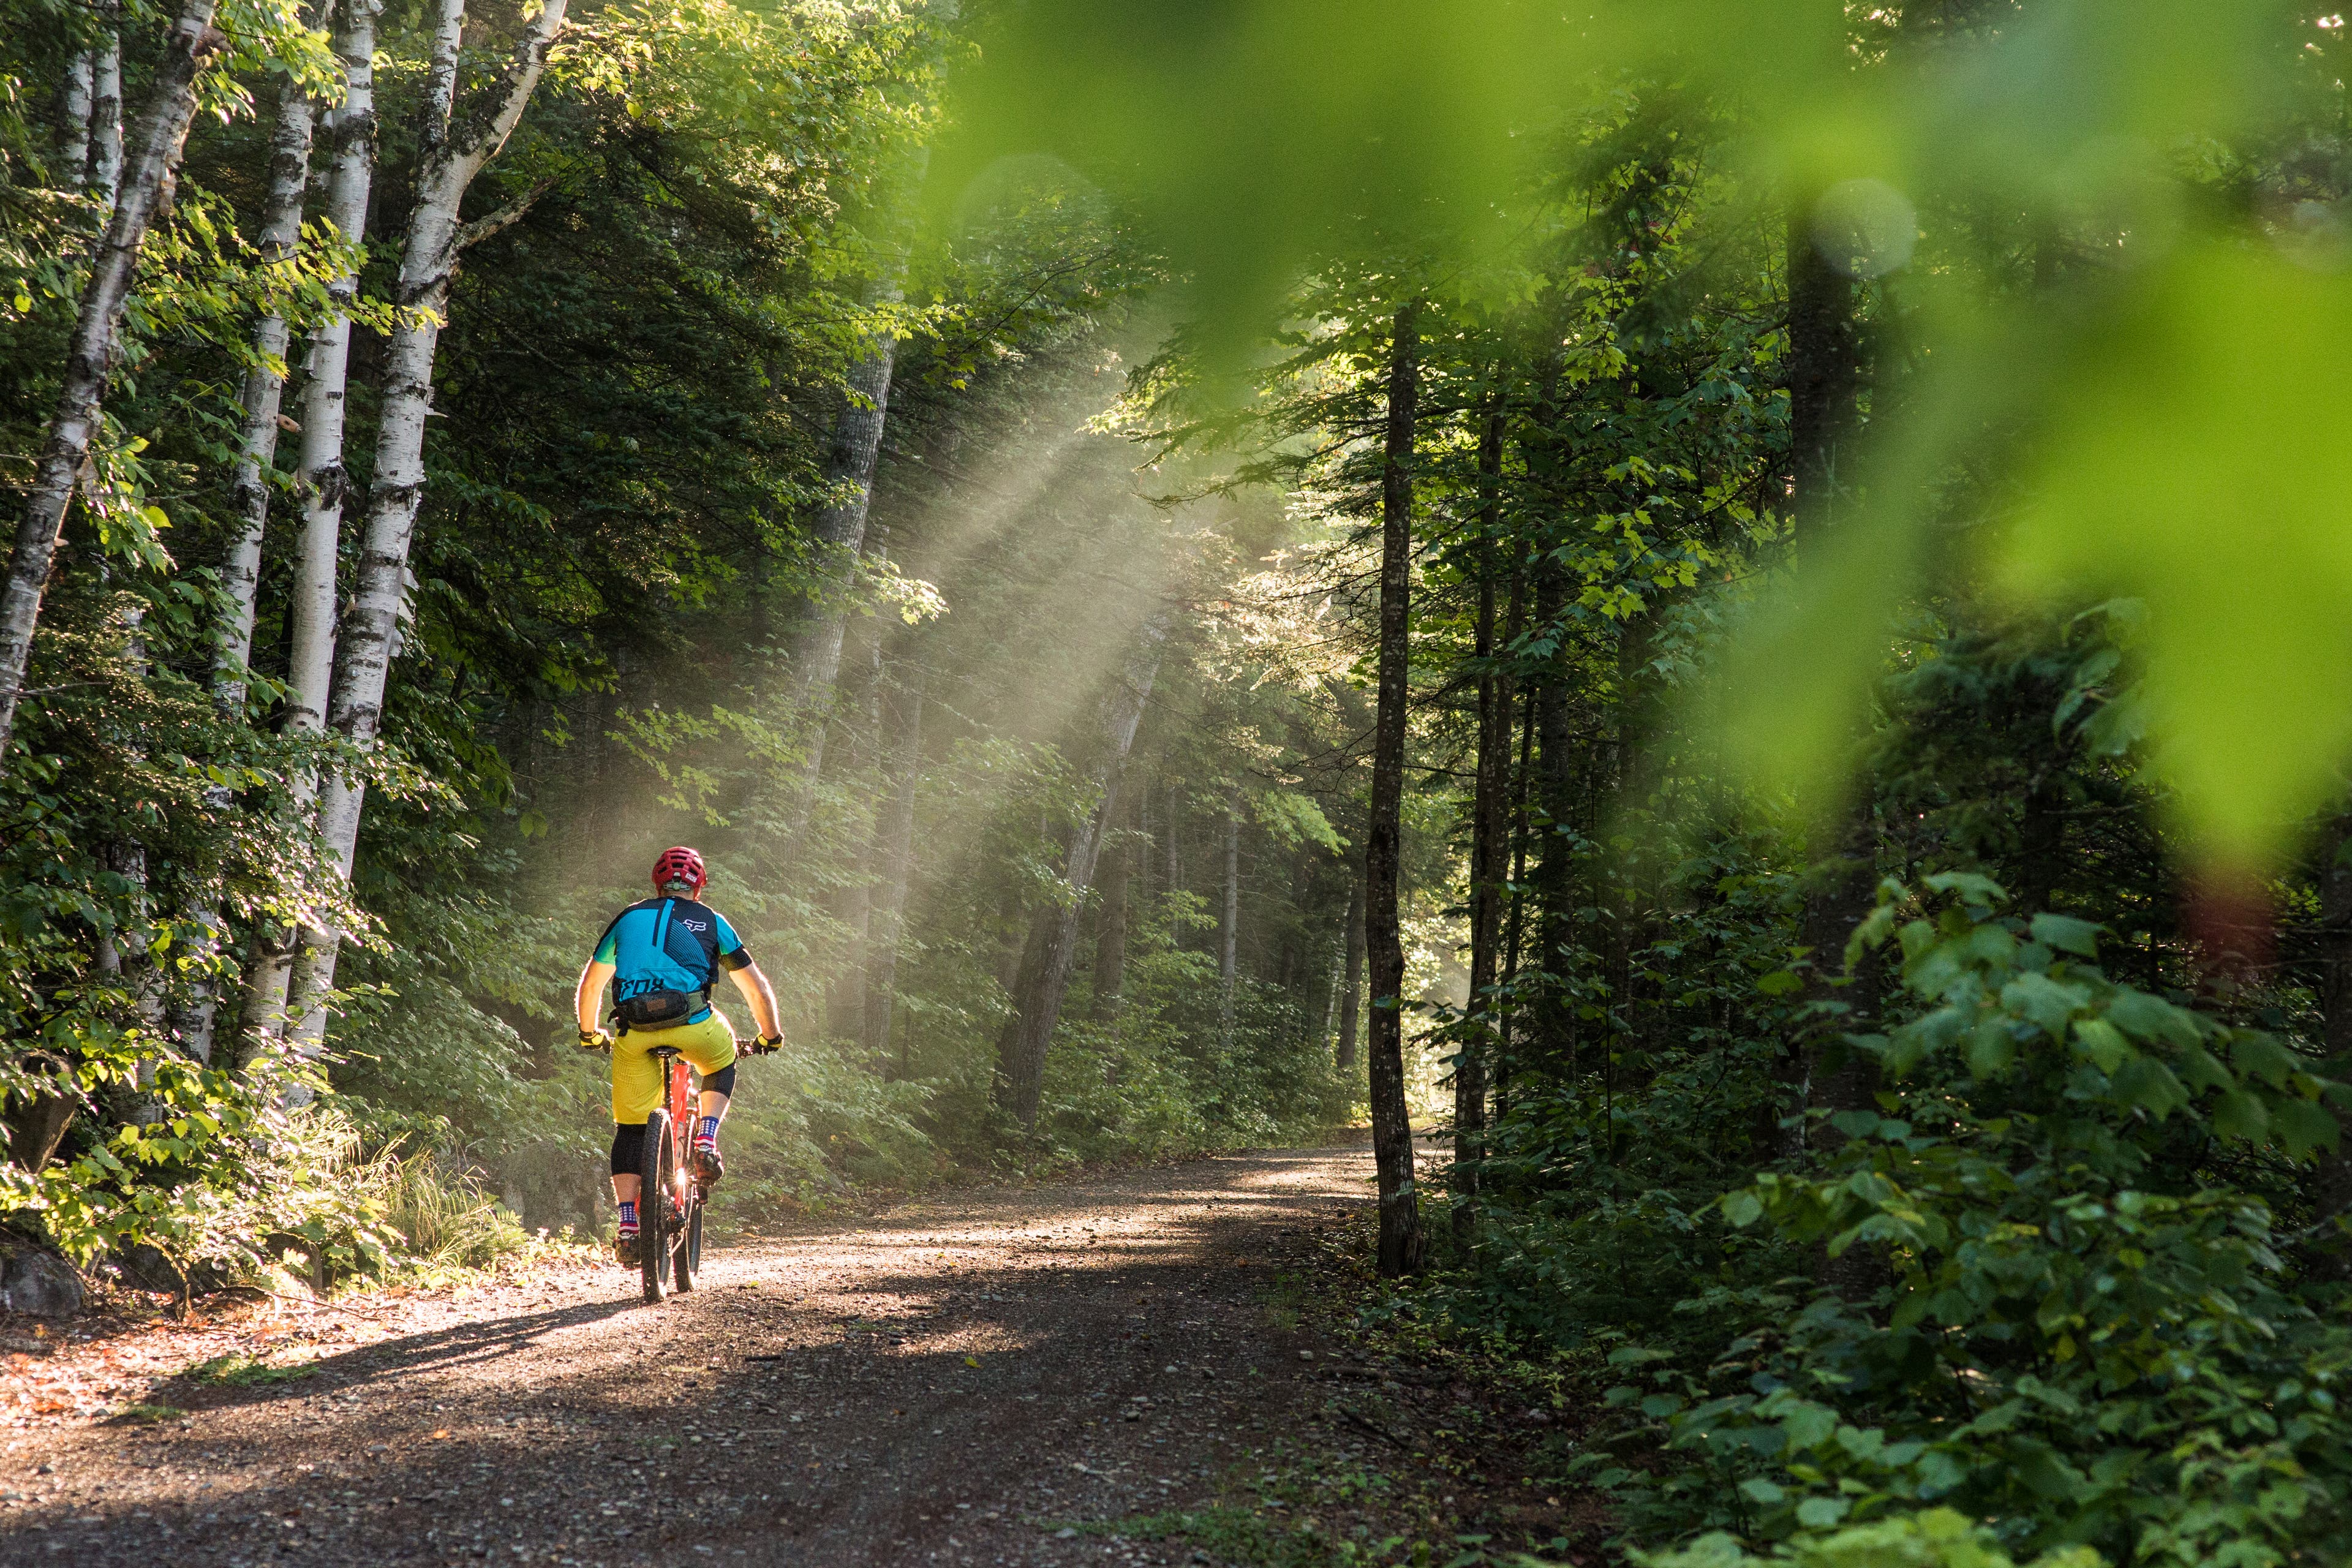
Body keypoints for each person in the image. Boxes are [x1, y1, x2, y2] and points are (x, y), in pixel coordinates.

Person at [575, 846, 782, 1265]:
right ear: (699, 886)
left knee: (631, 1130)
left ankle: (629, 1224)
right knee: (722, 1062)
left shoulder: (628, 918)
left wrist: (590, 1033)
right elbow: (755, 988)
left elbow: (592, 985)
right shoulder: (712, 922)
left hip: (634, 1032)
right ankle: (705, 1136)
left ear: (656, 883)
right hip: (694, 1027)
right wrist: (769, 1037)